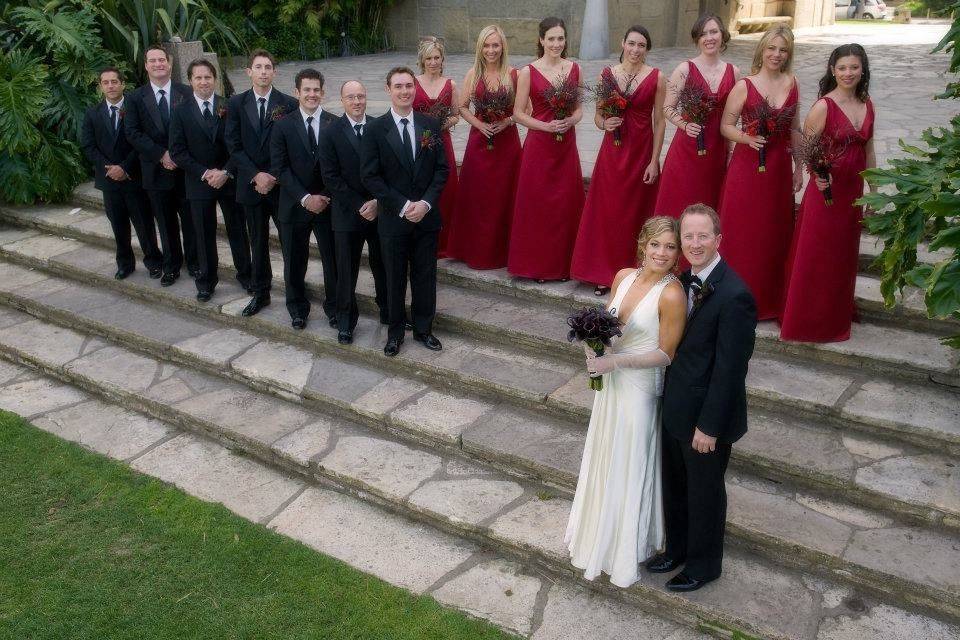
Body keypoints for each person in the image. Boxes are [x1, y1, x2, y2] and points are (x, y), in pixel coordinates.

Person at [565, 216, 686, 589]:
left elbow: (667, 354)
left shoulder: (672, 294)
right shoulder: (622, 277)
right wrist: (594, 347)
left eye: (670, 247)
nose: (662, 253)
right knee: (605, 456)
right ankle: (597, 532)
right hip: (610, 385)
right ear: (642, 244)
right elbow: (605, 327)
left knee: (629, 462)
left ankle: (625, 544)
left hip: (639, 390)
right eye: (656, 244)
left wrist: (616, 361)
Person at [647, 203, 756, 592]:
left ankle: (704, 565)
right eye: (688, 237)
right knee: (675, 487)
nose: (694, 244)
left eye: (702, 236)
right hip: (676, 408)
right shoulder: (681, 283)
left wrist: (708, 427)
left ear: (718, 239)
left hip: (707, 420)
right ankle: (677, 549)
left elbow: (730, 371)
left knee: (705, 494)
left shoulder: (735, 295)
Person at [780, 44, 876, 342]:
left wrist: (875, 189)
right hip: (826, 192)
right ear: (833, 70)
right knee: (817, 253)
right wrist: (816, 175)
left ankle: (835, 312)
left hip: (853, 192)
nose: (848, 73)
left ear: (863, 70)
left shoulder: (867, 103)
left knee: (843, 254)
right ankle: (808, 319)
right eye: (842, 67)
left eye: (854, 67)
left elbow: (869, 148)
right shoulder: (823, 106)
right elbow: (808, 148)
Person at [570, 25, 666, 296]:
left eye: (642, 46)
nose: (635, 50)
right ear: (623, 43)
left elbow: (659, 121)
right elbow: (598, 116)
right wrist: (604, 123)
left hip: (641, 152)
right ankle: (603, 272)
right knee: (608, 211)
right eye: (632, 43)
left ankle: (632, 271)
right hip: (613, 152)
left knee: (635, 212)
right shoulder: (608, 75)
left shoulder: (657, 78)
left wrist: (654, 160)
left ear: (647, 49)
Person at [361, 66, 449, 357]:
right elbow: (371, 177)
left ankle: (424, 329)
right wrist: (401, 205)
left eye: (409, 86)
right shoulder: (375, 129)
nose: (404, 91)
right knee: (394, 278)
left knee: (425, 277)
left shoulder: (430, 124)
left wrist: (424, 204)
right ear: (388, 90)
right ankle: (395, 333)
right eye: (398, 86)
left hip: (426, 218)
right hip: (393, 219)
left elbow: (441, 169)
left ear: (415, 88)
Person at [718, 25, 802, 320]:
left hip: (778, 169)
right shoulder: (745, 85)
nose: (776, 55)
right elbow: (725, 126)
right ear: (762, 50)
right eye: (771, 48)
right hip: (746, 169)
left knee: (772, 233)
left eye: (782, 50)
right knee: (742, 232)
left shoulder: (793, 83)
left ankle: (768, 300)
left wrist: (799, 168)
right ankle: (733, 300)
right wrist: (747, 138)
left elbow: (794, 129)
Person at [507, 16, 584, 283]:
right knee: (538, 205)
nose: (556, 44)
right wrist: (545, 126)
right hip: (539, 146)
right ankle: (537, 266)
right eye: (550, 38)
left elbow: (579, 110)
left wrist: (570, 121)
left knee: (564, 204)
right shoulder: (527, 72)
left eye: (560, 38)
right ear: (541, 40)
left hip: (566, 146)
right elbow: (517, 113)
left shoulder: (574, 68)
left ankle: (562, 266)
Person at [169, 59, 251, 302]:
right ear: (190, 81)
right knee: (203, 234)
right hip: (198, 182)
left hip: (229, 180)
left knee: (237, 230)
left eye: (207, 77)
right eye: (198, 77)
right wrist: (205, 173)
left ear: (214, 79)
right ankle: (206, 281)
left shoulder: (229, 106)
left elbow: (239, 143)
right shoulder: (180, 112)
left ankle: (246, 275)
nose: (203, 81)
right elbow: (177, 151)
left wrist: (225, 172)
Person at [225, 49, 299, 317]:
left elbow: (293, 147)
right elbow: (233, 144)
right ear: (249, 71)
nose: (264, 71)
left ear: (274, 72)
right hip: (251, 185)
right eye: (259, 67)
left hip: (282, 188)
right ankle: (261, 293)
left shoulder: (288, 103)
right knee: (257, 242)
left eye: (268, 67)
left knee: (290, 243)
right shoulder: (236, 104)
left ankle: (295, 298)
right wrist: (256, 175)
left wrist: (274, 176)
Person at [317, 80, 389, 345]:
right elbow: (331, 177)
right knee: (345, 271)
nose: (357, 101)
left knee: (383, 266)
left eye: (361, 96)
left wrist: (377, 203)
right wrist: (361, 204)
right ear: (342, 100)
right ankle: (346, 322)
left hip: (379, 211)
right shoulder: (330, 132)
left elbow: (388, 170)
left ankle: (389, 313)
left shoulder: (379, 127)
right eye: (351, 97)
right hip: (347, 214)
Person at [446, 25, 522, 270]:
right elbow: (463, 107)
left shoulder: (514, 74)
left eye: (495, 45)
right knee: (479, 198)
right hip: (479, 143)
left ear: (503, 47)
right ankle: (475, 251)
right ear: (480, 48)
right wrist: (480, 125)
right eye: (486, 45)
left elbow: (526, 110)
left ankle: (502, 253)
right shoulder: (473, 74)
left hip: (506, 144)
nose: (491, 50)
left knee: (503, 197)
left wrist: (507, 121)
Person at [270, 68, 339, 330]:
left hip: (327, 205)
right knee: (294, 260)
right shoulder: (283, 126)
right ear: (297, 92)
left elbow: (341, 167)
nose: (312, 94)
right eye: (306, 90)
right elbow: (280, 168)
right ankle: (297, 308)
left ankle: (335, 307)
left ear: (322, 92)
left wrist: (324, 196)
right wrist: (305, 197)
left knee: (332, 260)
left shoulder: (335, 123)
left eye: (316, 90)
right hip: (294, 205)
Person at [123, 45, 197, 287]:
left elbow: (194, 127)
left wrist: (178, 154)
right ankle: (171, 266)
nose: (158, 64)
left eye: (162, 60)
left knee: (190, 221)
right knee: (165, 223)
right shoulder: (135, 98)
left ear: (170, 63)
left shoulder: (187, 92)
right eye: (152, 61)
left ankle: (195, 264)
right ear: (146, 65)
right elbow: (132, 133)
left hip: (185, 171)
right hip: (155, 171)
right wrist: (161, 154)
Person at [80, 67, 162, 281]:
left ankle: (154, 261)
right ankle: (125, 264)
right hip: (109, 181)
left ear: (123, 84)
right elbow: (89, 146)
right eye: (105, 82)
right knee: (118, 225)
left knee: (144, 223)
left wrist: (125, 167)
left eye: (114, 82)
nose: (110, 86)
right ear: (100, 86)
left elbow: (141, 140)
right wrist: (110, 168)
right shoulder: (92, 113)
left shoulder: (135, 108)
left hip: (134, 177)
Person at [654, 14, 739, 218]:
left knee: (708, 207)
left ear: (722, 35)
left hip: (717, 150)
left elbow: (733, 118)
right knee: (679, 204)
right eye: (703, 34)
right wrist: (684, 125)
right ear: (697, 39)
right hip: (687, 149)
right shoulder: (685, 69)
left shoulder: (733, 72)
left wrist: (732, 151)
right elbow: (667, 108)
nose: (709, 38)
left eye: (713, 32)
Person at [413, 37, 460, 257]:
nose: (433, 62)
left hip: (443, 141)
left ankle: (446, 242)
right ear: (422, 60)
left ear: (442, 60)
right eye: (429, 58)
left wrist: (440, 123)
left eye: (437, 58)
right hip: (418, 142)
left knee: (446, 188)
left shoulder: (450, 84)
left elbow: (456, 115)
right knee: (421, 183)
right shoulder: (412, 82)